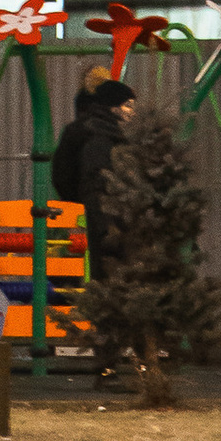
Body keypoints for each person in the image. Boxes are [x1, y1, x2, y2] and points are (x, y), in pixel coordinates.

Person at [51, 66, 137, 281]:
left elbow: (63, 176)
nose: (133, 112)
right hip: (109, 224)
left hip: (90, 217)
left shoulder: (87, 132)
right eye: (128, 106)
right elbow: (97, 186)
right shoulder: (104, 141)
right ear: (113, 108)